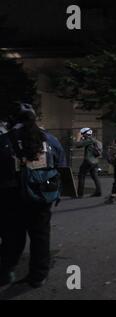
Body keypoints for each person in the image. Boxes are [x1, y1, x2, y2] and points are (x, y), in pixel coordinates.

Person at [0, 103, 66, 288]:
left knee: (11, 236)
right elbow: (62, 166)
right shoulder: (49, 139)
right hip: (41, 194)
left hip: (10, 196)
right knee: (40, 236)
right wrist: (60, 193)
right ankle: (38, 275)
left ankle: (6, 271)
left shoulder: (4, 141)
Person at [74, 128, 102, 198]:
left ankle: (80, 194)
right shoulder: (93, 139)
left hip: (88, 161)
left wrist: (78, 137)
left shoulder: (89, 140)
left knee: (81, 175)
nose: (82, 135)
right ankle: (98, 192)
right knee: (95, 176)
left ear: (86, 134)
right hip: (95, 161)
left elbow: (77, 145)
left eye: (82, 134)